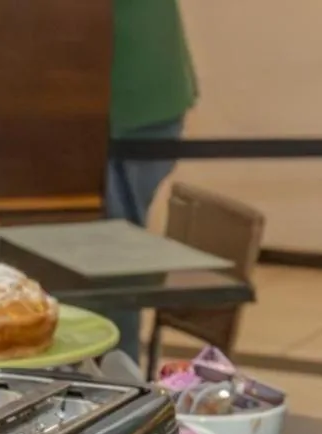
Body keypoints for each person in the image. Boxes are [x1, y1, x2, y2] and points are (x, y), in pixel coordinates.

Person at [106, 0, 198, 360]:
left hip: (127, 101)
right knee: (111, 255)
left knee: (109, 258)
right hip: (129, 95)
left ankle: (118, 379)